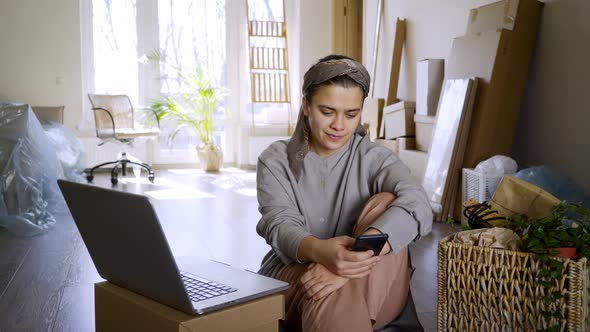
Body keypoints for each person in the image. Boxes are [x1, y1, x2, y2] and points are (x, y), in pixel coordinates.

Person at [256, 54, 433, 332]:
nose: (339, 125)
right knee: (328, 291)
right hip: (295, 278)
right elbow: (279, 224)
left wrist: (348, 266)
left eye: (351, 114)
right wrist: (322, 252)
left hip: (374, 280)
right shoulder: (276, 159)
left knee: (387, 202)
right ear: (306, 106)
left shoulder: (375, 158)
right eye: (327, 111)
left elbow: (418, 203)